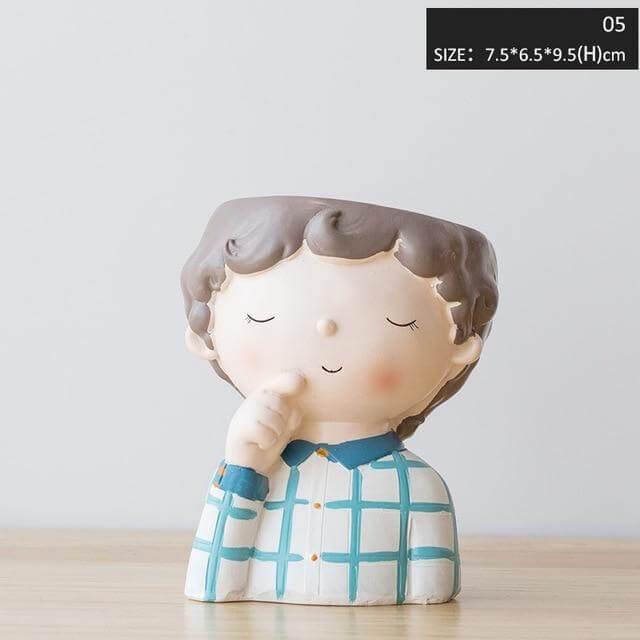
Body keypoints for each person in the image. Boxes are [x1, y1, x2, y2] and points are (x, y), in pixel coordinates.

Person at [181, 196, 498, 605]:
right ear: (205, 336)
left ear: (459, 351)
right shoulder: (250, 475)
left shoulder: (417, 490)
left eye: (395, 322)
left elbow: (434, 595)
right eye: (264, 317)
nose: (325, 328)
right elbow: (209, 585)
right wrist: (243, 469)